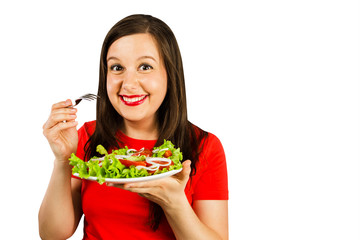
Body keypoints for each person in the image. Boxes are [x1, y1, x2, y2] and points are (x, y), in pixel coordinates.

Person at [39, 14, 228, 240]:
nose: (128, 84)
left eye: (145, 66)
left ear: (170, 73)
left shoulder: (204, 146)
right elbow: (52, 234)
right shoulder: (87, 136)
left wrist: (175, 204)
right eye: (117, 67)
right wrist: (62, 161)